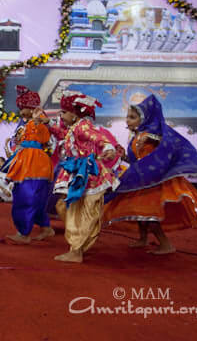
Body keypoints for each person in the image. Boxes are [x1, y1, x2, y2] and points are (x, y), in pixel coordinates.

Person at [103, 95, 197, 254]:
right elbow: (135, 161)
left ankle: (166, 244)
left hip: (154, 182)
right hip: (140, 180)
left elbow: (167, 147)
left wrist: (152, 137)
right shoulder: (136, 136)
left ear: (144, 118)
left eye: (132, 117)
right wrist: (121, 155)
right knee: (138, 213)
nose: (128, 120)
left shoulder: (153, 134)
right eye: (127, 117)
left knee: (150, 214)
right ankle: (143, 238)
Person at [52, 90, 118, 263]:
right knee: (69, 207)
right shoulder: (73, 127)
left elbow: (96, 137)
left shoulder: (82, 126)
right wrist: (47, 124)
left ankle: (76, 249)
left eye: (64, 112)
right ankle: (79, 245)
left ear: (75, 114)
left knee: (79, 210)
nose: (61, 115)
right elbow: (61, 135)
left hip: (86, 173)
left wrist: (107, 147)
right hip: (79, 171)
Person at [1, 86, 54, 244]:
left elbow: (43, 136)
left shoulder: (37, 123)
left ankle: (23, 233)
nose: (21, 111)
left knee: (25, 197)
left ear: (33, 109)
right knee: (36, 198)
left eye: (24, 108)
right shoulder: (27, 123)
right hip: (36, 165)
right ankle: (45, 228)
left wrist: (37, 121)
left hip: (31, 165)